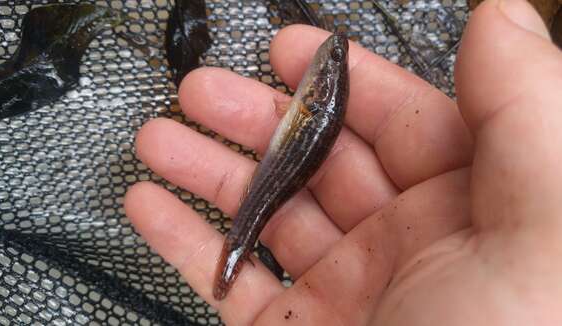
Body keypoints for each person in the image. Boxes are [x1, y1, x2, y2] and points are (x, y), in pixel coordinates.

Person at [125, 0, 562, 324]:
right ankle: (231, 262)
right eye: (337, 58)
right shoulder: (314, 103)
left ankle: (231, 264)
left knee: (243, 214)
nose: (333, 51)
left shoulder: (318, 99)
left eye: (333, 61)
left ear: (315, 93)